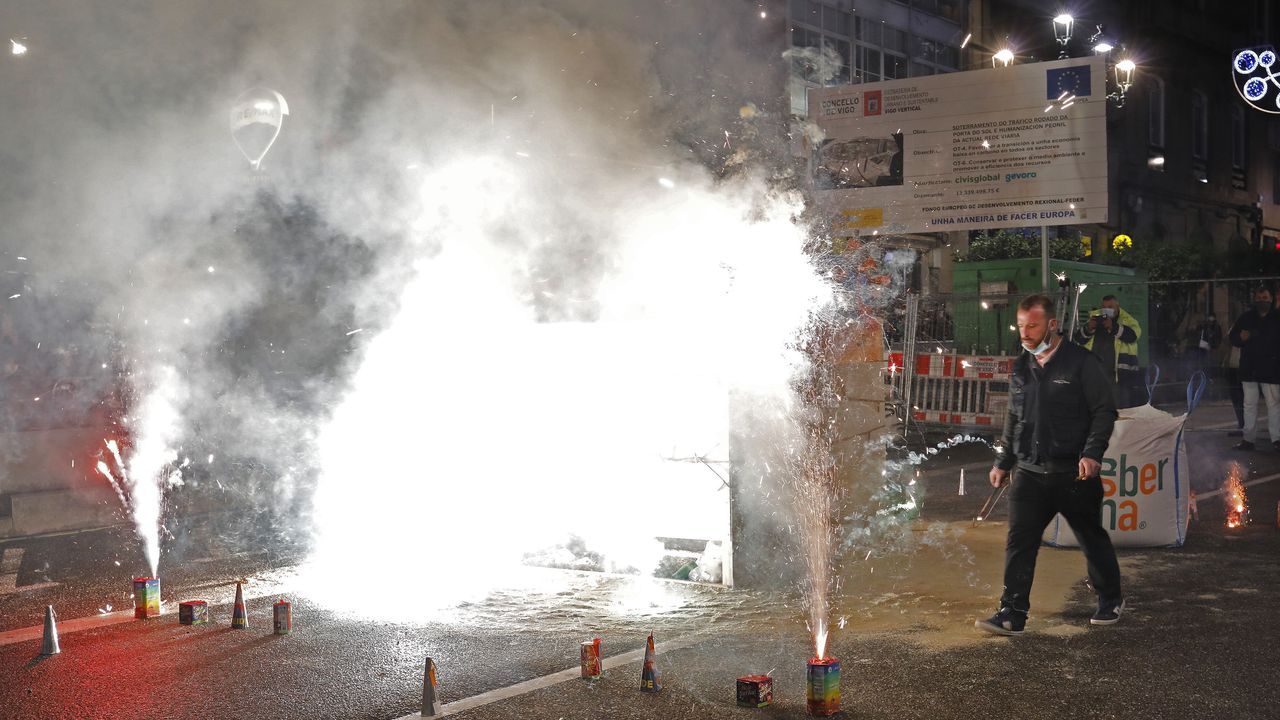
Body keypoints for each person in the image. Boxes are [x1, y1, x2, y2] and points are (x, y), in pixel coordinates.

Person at [976, 294, 1121, 636]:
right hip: (1030, 473)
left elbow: (1104, 410)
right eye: (1021, 326)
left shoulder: (1082, 363)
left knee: (1091, 538)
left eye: (1033, 326)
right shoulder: (1021, 365)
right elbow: (1014, 416)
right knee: (1019, 543)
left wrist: (1092, 454)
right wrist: (1004, 462)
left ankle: (1110, 599)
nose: (1025, 333)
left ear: (1052, 325)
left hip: (1074, 474)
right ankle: (1012, 613)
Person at [1227, 286, 1280, 451]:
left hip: (1271, 368)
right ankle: (1248, 439)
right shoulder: (1246, 318)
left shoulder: (1277, 318)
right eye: (1259, 297)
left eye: (1265, 297)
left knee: (1274, 404)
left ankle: (1276, 439)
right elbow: (1233, 338)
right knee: (1249, 404)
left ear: (1271, 299)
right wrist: (1240, 338)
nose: (1262, 301)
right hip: (1249, 368)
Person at [1074, 295, 1142, 408]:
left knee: (1119, 409)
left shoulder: (1127, 320)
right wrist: (1089, 328)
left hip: (1118, 377)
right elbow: (1078, 339)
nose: (1107, 309)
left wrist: (1113, 326)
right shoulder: (1095, 319)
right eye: (1104, 307)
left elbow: (1133, 336)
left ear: (1117, 306)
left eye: (1110, 306)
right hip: (1095, 375)